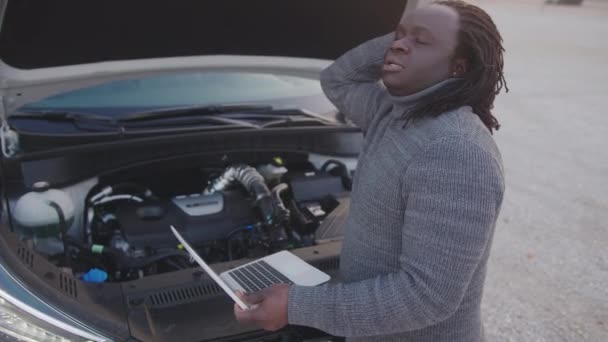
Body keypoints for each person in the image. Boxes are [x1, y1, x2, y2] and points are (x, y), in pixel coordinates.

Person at [234, 1, 508, 341]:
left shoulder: (457, 151)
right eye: (399, 35)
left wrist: (296, 306)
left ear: (458, 67)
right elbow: (337, 79)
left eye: (423, 41)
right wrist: (406, 36)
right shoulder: (392, 112)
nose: (398, 44)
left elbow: (426, 297)